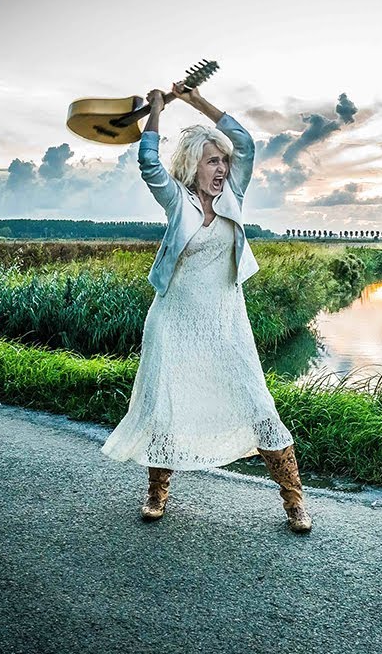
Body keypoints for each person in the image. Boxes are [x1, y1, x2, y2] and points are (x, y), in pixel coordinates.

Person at [101, 83, 312, 533]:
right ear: (194, 164)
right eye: (213, 160)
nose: (222, 168)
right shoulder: (177, 201)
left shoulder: (233, 193)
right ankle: (157, 490)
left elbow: (247, 143)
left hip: (225, 321)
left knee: (258, 401)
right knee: (166, 405)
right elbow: (148, 162)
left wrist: (196, 101)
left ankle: (294, 501)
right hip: (174, 320)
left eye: (224, 161)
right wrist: (155, 112)